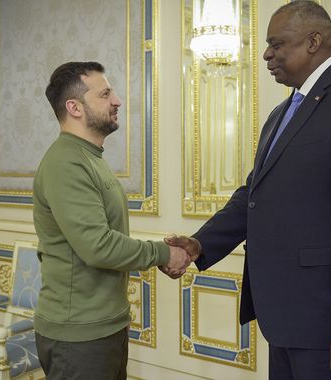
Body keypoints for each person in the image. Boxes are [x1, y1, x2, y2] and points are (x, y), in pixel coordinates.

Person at [165, 2, 331, 379]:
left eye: (277, 44)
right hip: (286, 317)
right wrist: (200, 243)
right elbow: (254, 196)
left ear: (314, 41)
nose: (266, 54)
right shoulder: (282, 113)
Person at [33, 61, 191, 380]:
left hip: (104, 325)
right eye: (105, 94)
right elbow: (98, 247)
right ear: (74, 107)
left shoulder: (91, 158)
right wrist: (164, 253)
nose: (117, 100)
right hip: (78, 333)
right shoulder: (66, 163)